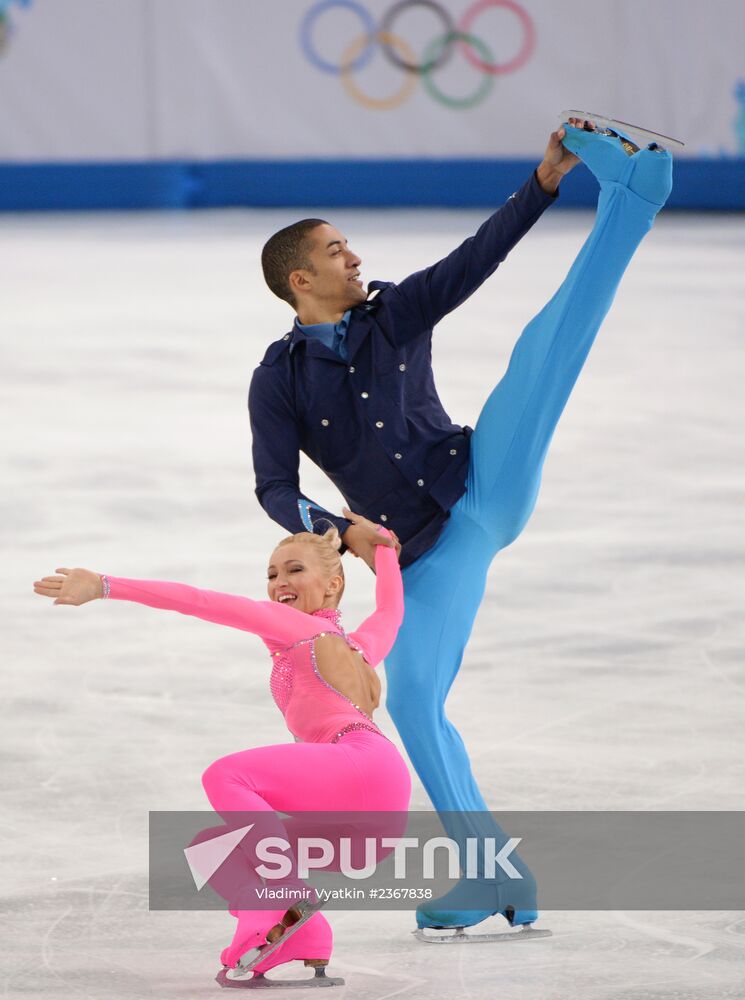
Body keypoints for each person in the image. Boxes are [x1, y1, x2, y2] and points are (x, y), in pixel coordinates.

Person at [248, 117, 674, 934]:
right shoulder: (279, 381)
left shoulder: (392, 315)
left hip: (482, 479)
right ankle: (492, 876)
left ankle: (632, 199)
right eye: (338, 251)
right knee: (411, 702)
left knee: (542, 351)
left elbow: (477, 258)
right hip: (425, 554)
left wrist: (544, 183)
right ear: (300, 280)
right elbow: (273, 487)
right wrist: (340, 528)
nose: (356, 257)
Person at [33, 518, 411, 986]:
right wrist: (385, 553)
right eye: (272, 575)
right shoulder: (360, 647)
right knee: (212, 848)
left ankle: (287, 892)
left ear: (333, 584)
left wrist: (107, 585)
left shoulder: (295, 629)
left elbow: (203, 602)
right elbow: (390, 611)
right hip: (377, 810)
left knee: (227, 777)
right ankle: (302, 934)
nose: (279, 584)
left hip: (355, 762)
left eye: (294, 570)